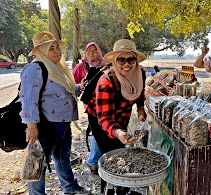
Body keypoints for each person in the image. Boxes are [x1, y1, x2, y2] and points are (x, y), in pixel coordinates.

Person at [20, 31, 90, 195]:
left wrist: (81, 87)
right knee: (38, 163)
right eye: (51, 48)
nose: (57, 51)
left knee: (62, 157)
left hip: (63, 123)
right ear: (41, 52)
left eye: (58, 47)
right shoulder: (35, 69)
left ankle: (70, 187)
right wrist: (31, 127)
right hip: (46, 125)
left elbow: (65, 92)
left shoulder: (58, 68)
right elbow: (28, 99)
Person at [86, 39, 147, 194]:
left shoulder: (141, 73)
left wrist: (140, 109)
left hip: (122, 115)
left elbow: (139, 95)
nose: (127, 64)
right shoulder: (106, 82)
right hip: (101, 119)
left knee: (121, 151)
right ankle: (109, 189)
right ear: (114, 60)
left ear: (136, 60)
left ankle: (122, 188)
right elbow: (104, 118)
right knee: (110, 156)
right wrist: (118, 132)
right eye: (121, 59)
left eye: (131, 59)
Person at [72, 42, 104, 175]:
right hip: (91, 104)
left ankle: (97, 160)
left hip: (104, 102)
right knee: (97, 131)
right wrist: (81, 85)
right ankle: (93, 161)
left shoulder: (104, 65)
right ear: (85, 52)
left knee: (102, 130)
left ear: (98, 52)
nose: (91, 53)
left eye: (94, 50)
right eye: (89, 50)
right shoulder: (81, 66)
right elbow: (71, 84)